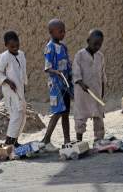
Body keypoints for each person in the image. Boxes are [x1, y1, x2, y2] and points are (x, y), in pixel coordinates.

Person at [41, 19, 73, 152]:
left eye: (64, 31)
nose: (63, 33)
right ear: (51, 32)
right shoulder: (50, 47)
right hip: (56, 85)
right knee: (57, 112)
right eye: (60, 31)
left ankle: (67, 140)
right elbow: (47, 68)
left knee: (66, 113)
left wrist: (71, 76)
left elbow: (68, 64)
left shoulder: (64, 47)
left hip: (65, 84)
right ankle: (45, 140)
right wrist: (57, 73)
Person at [0, 31, 27, 147]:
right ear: (6, 45)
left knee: (22, 115)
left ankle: (15, 140)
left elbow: (23, 72)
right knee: (15, 114)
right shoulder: (4, 56)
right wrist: (7, 81)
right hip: (10, 90)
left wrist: (24, 87)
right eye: (12, 46)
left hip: (20, 89)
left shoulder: (21, 54)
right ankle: (9, 141)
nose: (15, 48)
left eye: (17, 45)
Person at [73, 29, 106, 142]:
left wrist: (102, 93)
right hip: (83, 93)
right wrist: (81, 83)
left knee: (98, 115)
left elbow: (102, 76)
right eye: (95, 44)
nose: (97, 46)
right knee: (80, 115)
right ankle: (79, 140)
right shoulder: (80, 55)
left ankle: (98, 140)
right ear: (88, 41)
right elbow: (76, 73)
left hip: (96, 93)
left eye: (99, 44)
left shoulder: (100, 56)